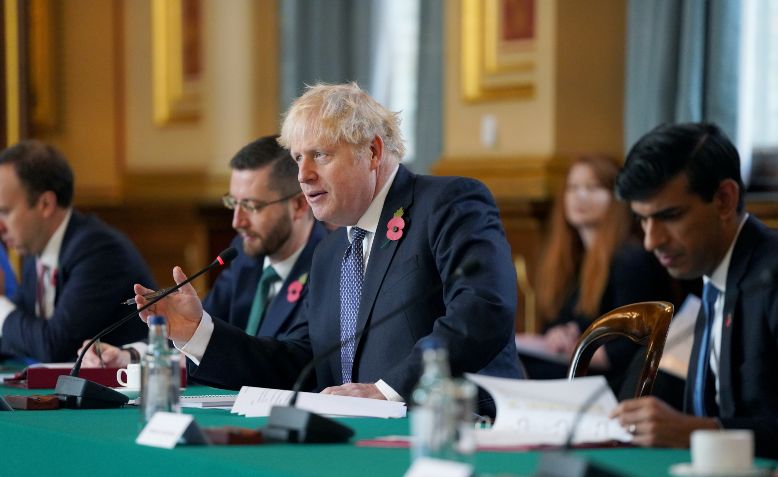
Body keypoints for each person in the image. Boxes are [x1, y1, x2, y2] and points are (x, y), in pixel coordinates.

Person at [134, 82, 522, 413]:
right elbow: (305, 363)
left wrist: (387, 391)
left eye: (320, 154)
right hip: (360, 442)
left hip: (461, 427)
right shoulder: (332, 252)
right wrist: (197, 333)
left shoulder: (447, 203)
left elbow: (482, 310)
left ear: (372, 152)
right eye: (298, 157)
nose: (303, 175)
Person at [78, 135, 327, 370]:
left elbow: (291, 362)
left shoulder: (329, 265)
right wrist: (130, 356)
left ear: (298, 205)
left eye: (251, 206)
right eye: (233, 203)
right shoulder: (244, 255)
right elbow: (198, 327)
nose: (237, 221)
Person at [610, 123, 778, 458]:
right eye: (642, 220)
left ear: (724, 200)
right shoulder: (712, 276)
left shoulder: (772, 276)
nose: (651, 241)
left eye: (669, 216)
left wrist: (698, 432)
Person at [518, 155, 675, 393]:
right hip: (578, 367)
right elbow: (557, 326)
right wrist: (557, 335)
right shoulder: (571, 259)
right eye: (573, 188)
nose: (580, 196)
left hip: (614, 380)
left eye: (592, 188)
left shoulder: (630, 258)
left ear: (617, 197)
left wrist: (575, 346)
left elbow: (632, 348)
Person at [0, 140, 155, 362]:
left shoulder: (98, 251)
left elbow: (55, 347)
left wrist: (0, 303)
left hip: (130, 391)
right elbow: (20, 336)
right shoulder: (36, 252)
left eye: (4, 212)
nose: (0, 226)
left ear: (45, 204)